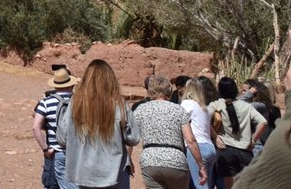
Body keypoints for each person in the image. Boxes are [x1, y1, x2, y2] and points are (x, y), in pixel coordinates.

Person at [235, 28, 291, 188]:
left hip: (263, 146)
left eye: (245, 90)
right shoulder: (273, 107)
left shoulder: (257, 106)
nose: (242, 93)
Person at [63, 59, 137, 189]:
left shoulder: (75, 104)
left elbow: (62, 137)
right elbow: (133, 138)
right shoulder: (119, 104)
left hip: (84, 175)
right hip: (115, 174)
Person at [129, 74, 206, 189]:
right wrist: (201, 166)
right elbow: (190, 140)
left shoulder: (141, 109)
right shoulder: (178, 109)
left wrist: (128, 159)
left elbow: (130, 138)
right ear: (169, 90)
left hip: (150, 161)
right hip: (176, 161)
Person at [210, 77, 268, 188]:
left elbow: (204, 118)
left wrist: (215, 137)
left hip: (225, 149)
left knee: (229, 185)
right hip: (245, 149)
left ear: (220, 90)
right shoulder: (246, 106)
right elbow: (263, 123)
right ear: (235, 90)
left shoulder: (216, 104)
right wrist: (253, 140)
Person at [37, 66, 80, 189]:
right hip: (78, 152)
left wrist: (46, 149)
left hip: (55, 152)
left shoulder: (46, 102)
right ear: (71, 84)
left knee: (53, 184)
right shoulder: (80, 101)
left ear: (55, 85)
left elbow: (36, 127)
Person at [181, 79, 218, 189]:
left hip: (197, 148)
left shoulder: (187, 104)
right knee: (206, 185)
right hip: (210, 148)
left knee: (200, 186)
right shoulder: (203, 108)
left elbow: (179, 120)